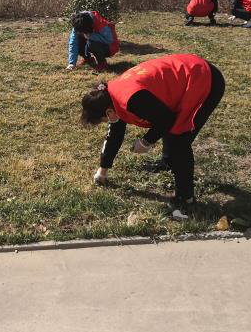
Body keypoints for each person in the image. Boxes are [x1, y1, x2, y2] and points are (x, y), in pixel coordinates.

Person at [80, 54, 225, 219]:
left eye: (104, 119)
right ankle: (167, 162)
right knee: (172, 134)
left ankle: (186, 198)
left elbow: (166, 120)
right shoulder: (110, 97)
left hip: (203, 79)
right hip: (186, 74)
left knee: (179, 140)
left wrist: (146, 141)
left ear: (108, 112)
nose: (107, 122)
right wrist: (102, 171)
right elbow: (114, 135)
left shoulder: (132, 99)